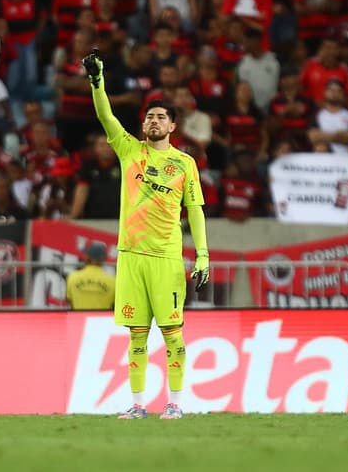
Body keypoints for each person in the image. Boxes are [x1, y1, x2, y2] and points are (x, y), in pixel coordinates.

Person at [84, 49, 209, 420]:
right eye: (149, 117)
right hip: (131, 256)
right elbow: (106, 115)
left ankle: (175, 403)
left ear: (173, 126)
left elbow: (196, 212)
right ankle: (137, 404)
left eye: (161, 117)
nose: (154, 121)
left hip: (166, 258)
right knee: (136, 335)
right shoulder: (129, 151)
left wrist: (202, 255)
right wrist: (97, 81)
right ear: (144, 126)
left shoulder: (185, 164)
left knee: (172, 334)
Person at [65, 241, 115, 310]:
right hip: (102, 319)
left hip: (78, 319)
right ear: (103, 259)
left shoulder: (73, 277)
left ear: (87, 257)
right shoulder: (112, 281)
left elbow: (69, 300)